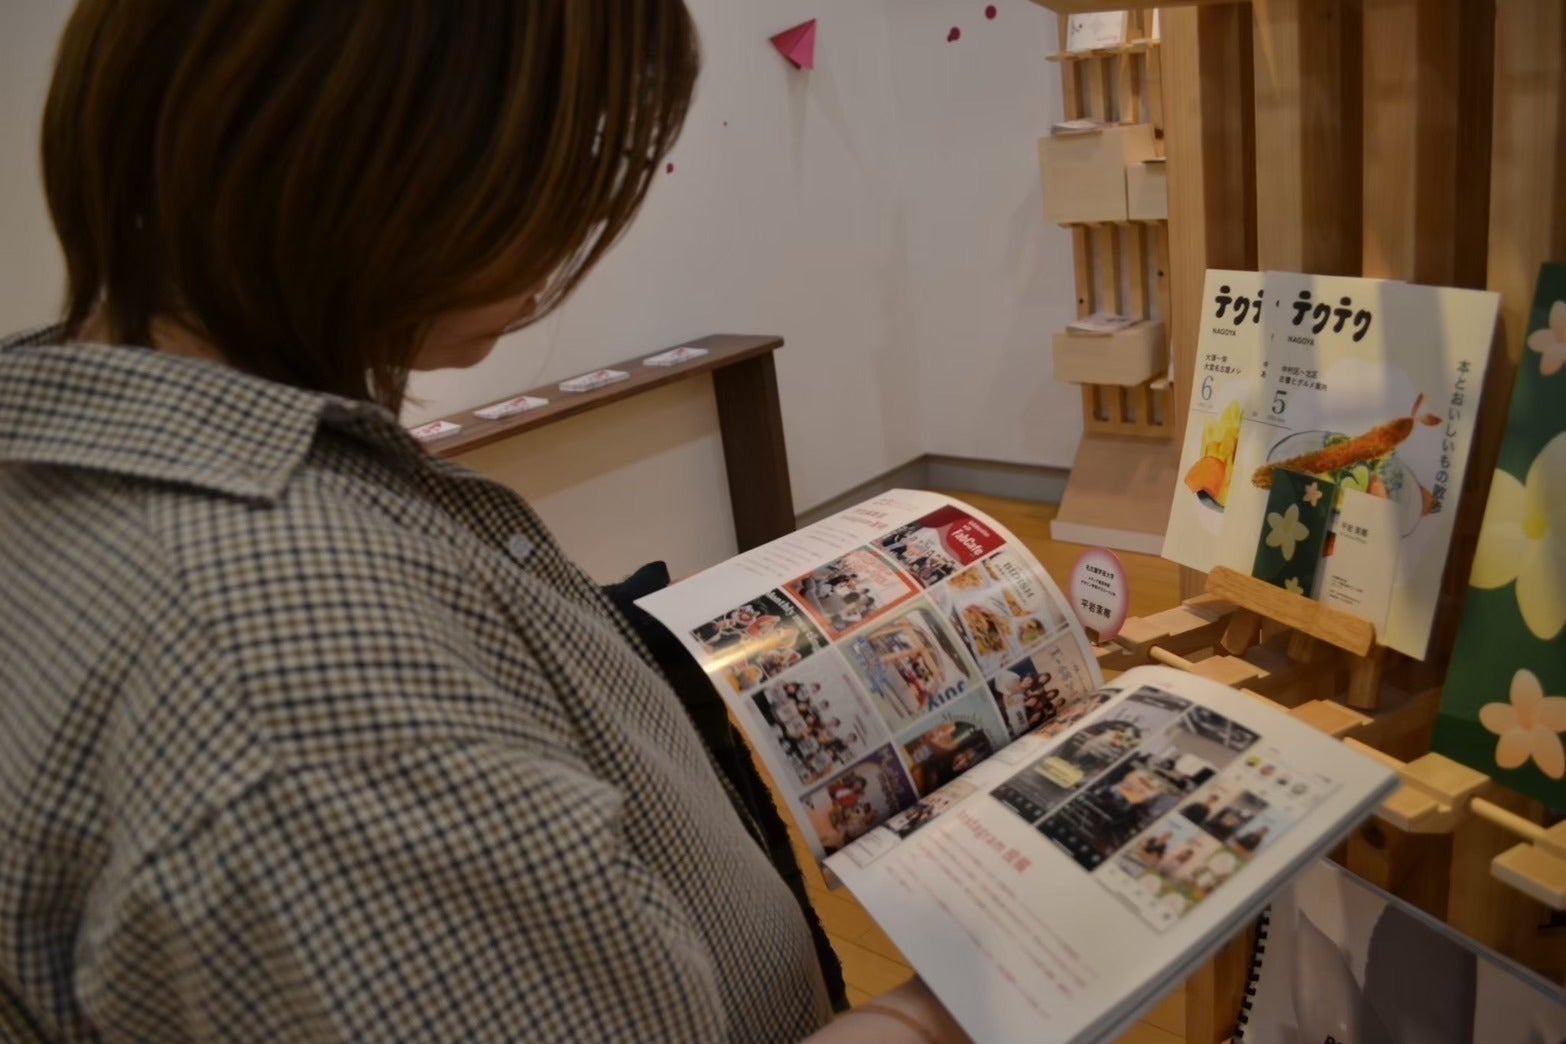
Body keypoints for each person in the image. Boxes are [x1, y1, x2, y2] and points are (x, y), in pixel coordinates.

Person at [0, 3, 971, 1042]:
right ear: (382, 145)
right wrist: (954, 998)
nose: (573, 234)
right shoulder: (294, 675)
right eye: (562, 156)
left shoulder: (74, 450)